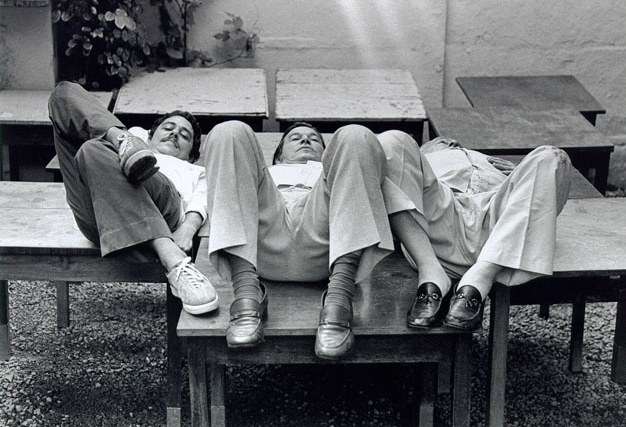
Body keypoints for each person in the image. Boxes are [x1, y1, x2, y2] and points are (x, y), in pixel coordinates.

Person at [201, 120, 394, 359]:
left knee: (356, 135)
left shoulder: (333, 171)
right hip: (263, 243)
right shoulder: (265, 173)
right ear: (279, 156)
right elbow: (212, 192)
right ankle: (247, 297)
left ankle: (339, 302)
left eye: (314, 139)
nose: (305, 139)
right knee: (228, 131)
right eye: (295, 138)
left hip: (326, 244)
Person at [48, 81, 218, 315]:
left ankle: (169, 254)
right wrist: (124, 137)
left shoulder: (196, 171)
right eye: (168, 127)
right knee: (63, 94)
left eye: (184, 135)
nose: (175, 133)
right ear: (149, 136)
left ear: (192, 155)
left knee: (92, 149)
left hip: (161, 207)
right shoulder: (123, 139)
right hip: (98, 218)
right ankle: (122, 141)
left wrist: (188, 229)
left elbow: (202, 201)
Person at [377, 131, 572, 331]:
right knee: (391, 142)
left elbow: (538, 198)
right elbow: (391, 186)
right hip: (438, 219)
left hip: (501, 223)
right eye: (441, 143)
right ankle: (432, 272)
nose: (450, 142)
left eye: (452, 143)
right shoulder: (418, 162)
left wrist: (524, 175)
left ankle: (480, 278)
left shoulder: (490, 163)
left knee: (552, 157)